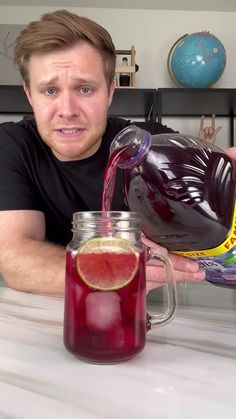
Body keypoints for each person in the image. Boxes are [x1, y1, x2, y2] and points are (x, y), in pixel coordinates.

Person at [0, 9, 208, 296]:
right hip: (50, 319)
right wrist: (117, 270)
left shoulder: (151, 142)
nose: (68, 111)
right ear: (29, 95)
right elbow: (16, 259)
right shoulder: (12, 145)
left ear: (110, 92)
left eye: (85, 89)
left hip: (153, 313)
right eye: (49, 91)